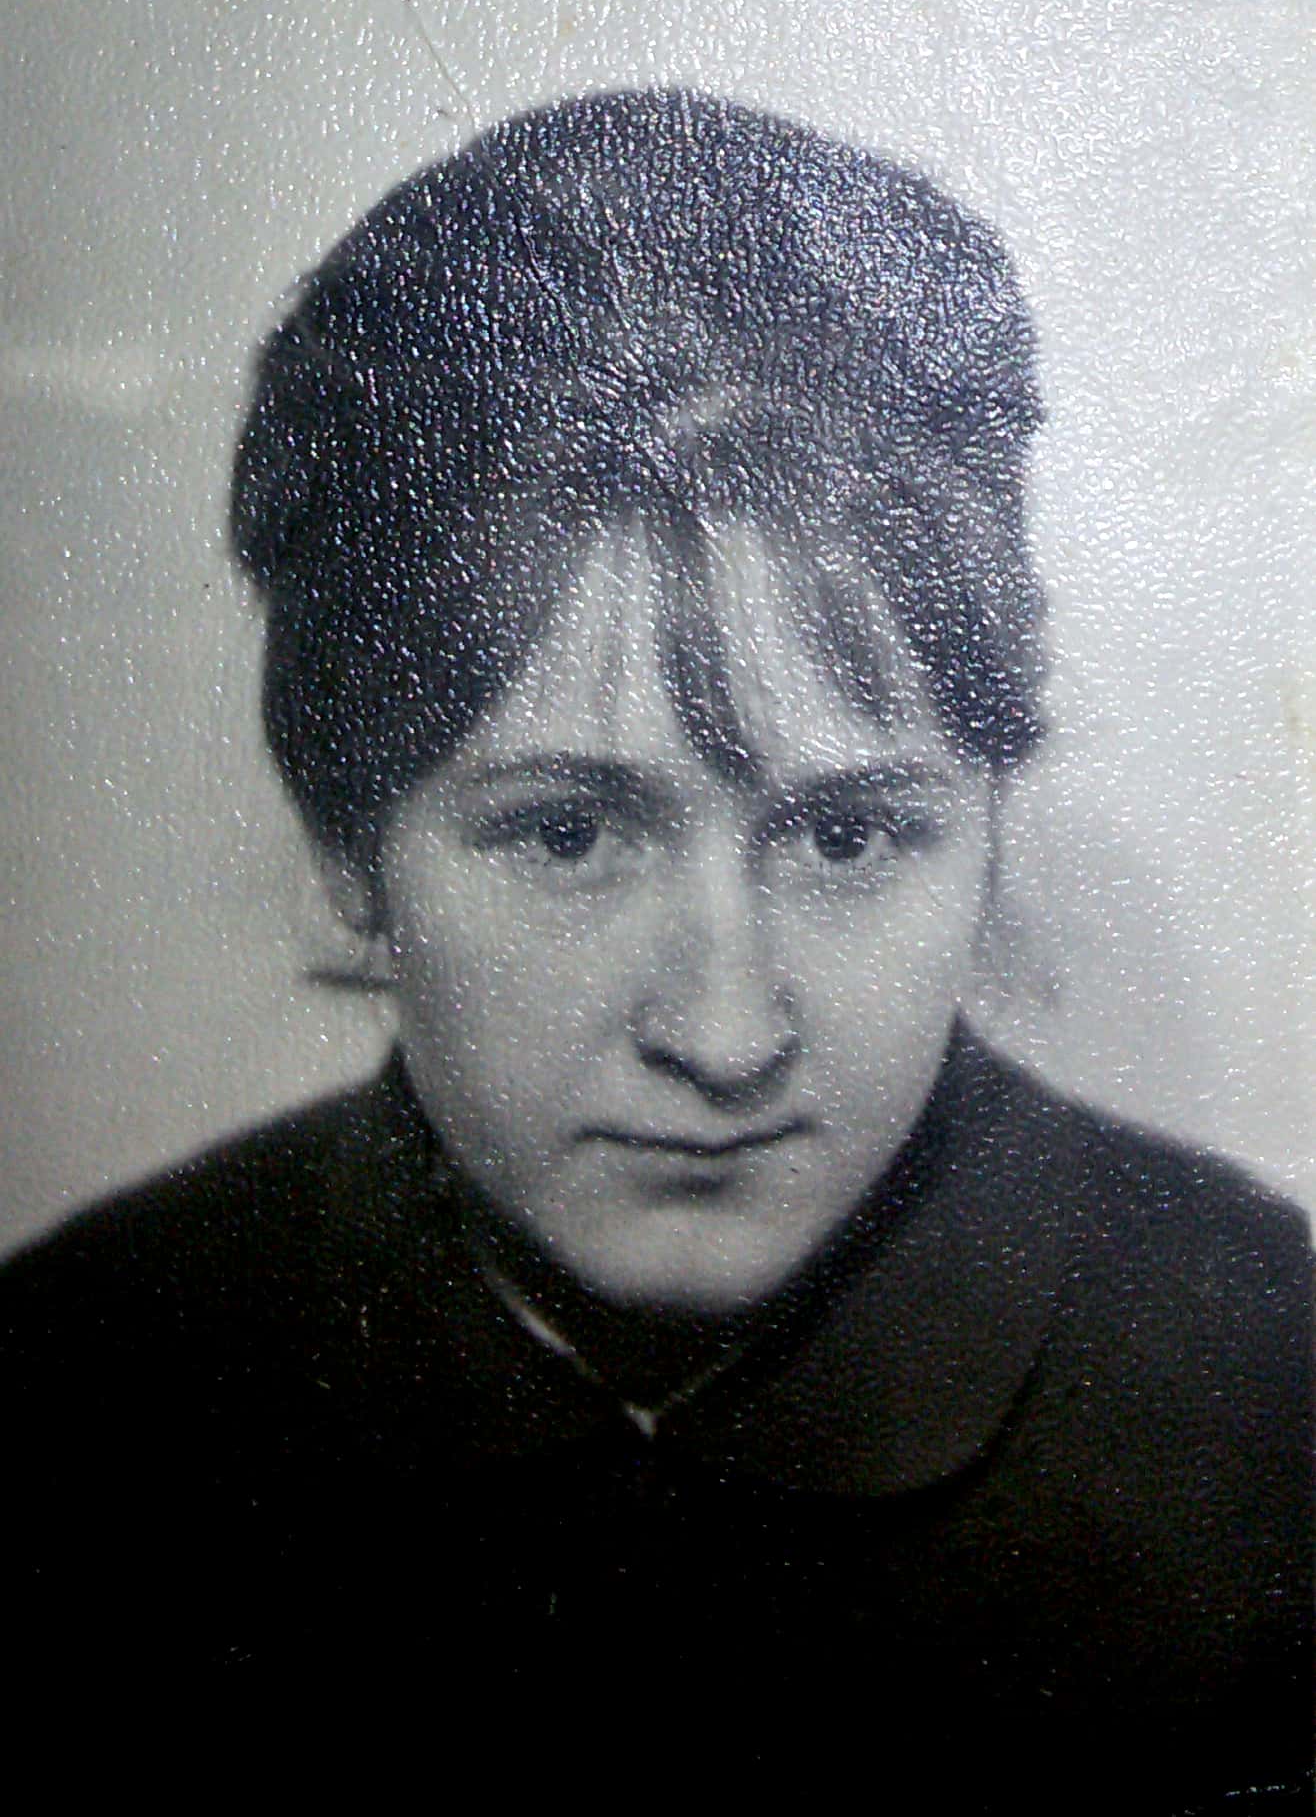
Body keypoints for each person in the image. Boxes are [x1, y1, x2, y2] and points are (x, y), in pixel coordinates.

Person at [2, 89, 1309, 1801]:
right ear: (349, 854)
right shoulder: (79, 1388)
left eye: (846, 836)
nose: (726, 1033)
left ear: (989, 825)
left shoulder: (1267, 1403)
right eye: (567, 835)